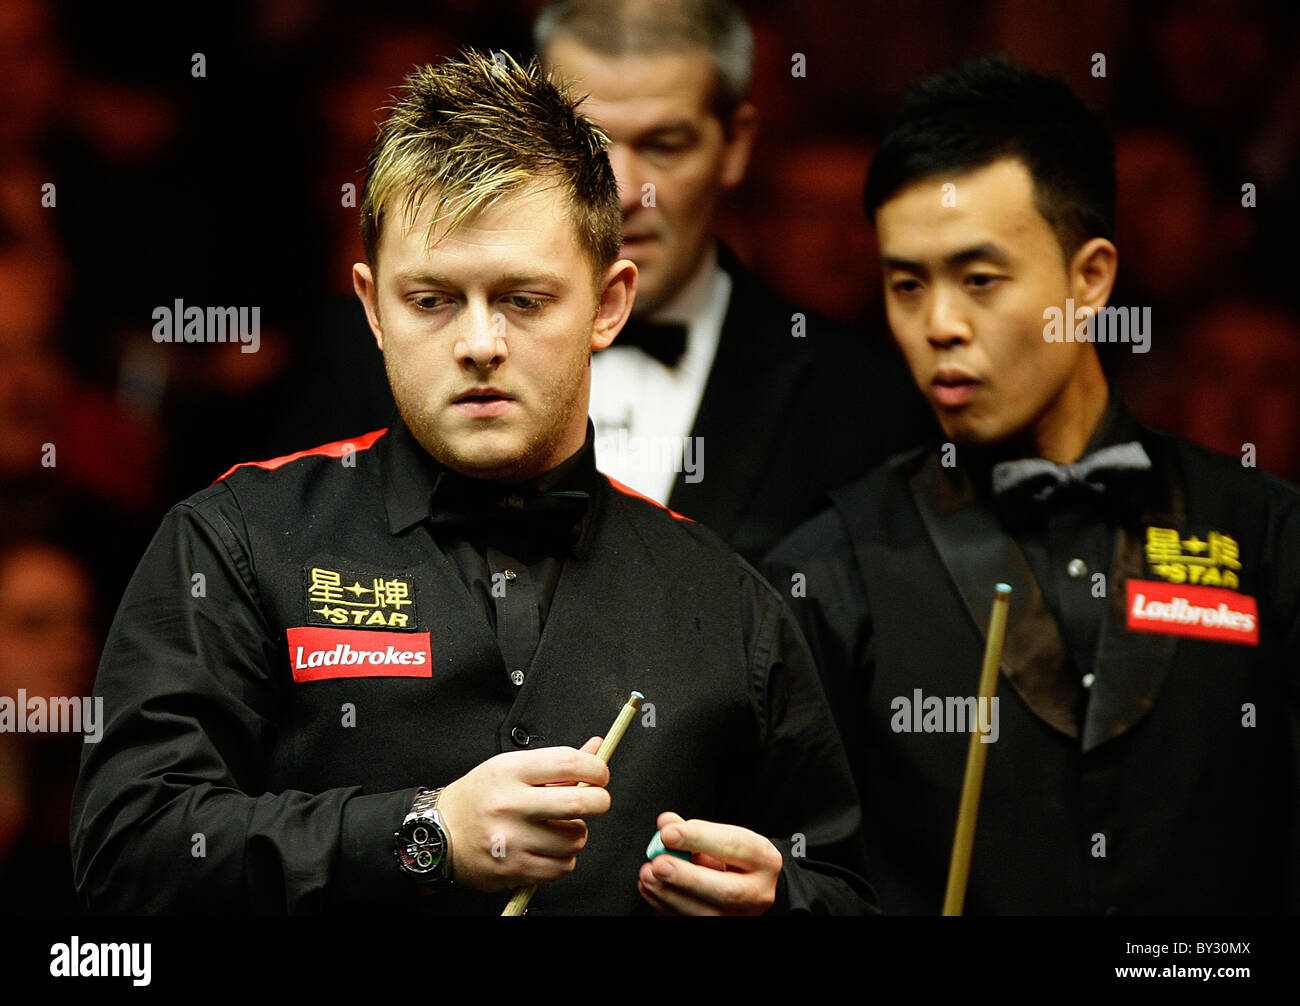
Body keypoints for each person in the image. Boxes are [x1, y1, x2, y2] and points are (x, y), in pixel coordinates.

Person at [69, 50, 873, 916]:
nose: (480, 342)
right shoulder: (235, 545)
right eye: (432, 300)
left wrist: (782, 903)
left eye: (524, 299)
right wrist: (425, 835)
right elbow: (127, 854)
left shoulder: (730, 607)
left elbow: (842, 890)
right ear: (373, 308)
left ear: (608, 304)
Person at [762, 55, 1300, 915]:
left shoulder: (1267, 537)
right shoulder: (827, 572)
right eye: (907, 285)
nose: (939, 325)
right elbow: (810, 876)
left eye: (980, 280)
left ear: (1089, 279)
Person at [535, 0, 932, 561]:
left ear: (737, 145)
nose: (624, 191)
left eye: (665, 146)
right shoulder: (394, 358)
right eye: (582, 142)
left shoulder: (867, 406)